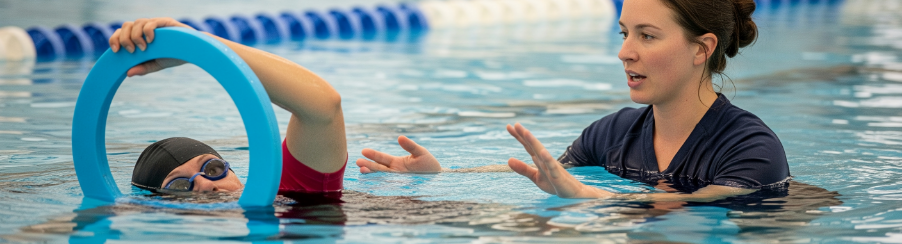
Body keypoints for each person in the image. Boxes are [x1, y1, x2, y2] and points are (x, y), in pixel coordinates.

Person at [356, 0, 791, 202]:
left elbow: (700, 207)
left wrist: (589, 196)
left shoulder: (750, 150)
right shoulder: (613, 133)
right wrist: (445, 174)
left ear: (702, 49)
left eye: (647, 35)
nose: (624, 52)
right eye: (624, 33)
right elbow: (554, 174)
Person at [110, 18, 348, 196]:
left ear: (235, 173)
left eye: (213, 168)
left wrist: (198, 46)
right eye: (180, 187)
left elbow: (323, 108)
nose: (205, 185)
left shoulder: (292, 197)